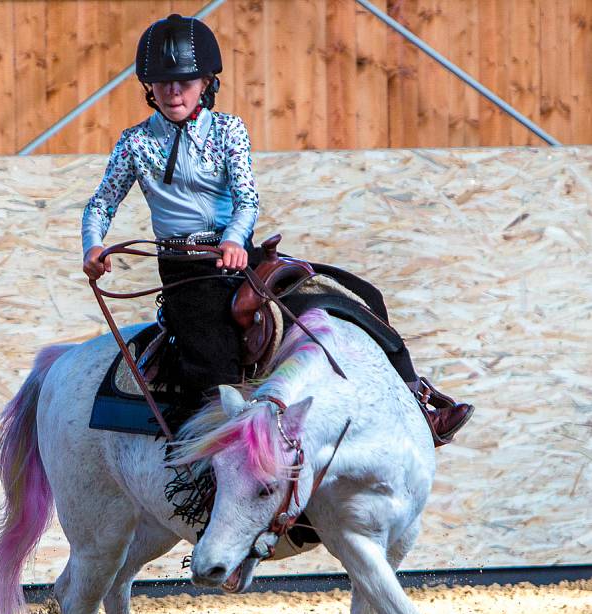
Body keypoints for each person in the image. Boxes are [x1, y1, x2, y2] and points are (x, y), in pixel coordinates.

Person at [81, 12, 472, 446]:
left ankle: (419, 402)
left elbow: (247, 199)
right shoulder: (134, 143)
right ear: (148, 87)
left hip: (238, 255)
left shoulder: (229, 130)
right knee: (213, 362)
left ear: (207, 82)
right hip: (187, 272)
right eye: (163, 81)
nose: (174, 91)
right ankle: (209, 463)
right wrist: (93, 246)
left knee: (357, 296)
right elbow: (101, 203)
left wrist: (233, 238)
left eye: (186, 81)